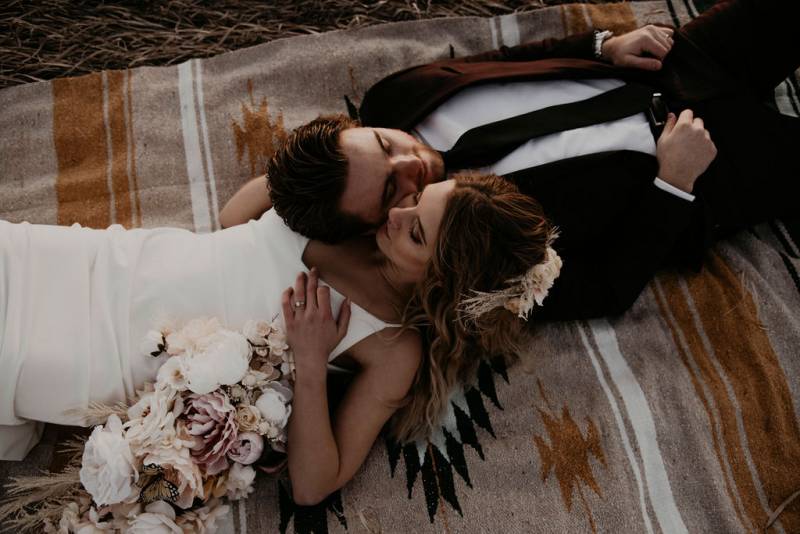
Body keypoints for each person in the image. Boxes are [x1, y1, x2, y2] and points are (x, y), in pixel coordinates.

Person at [221, 0, 799, 320]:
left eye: (384, 145)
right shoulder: (468, 254)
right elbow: (602, 289)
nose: (412, 162)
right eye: (390, 190)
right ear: (376, 226)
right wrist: (674, 185)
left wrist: (599, 45)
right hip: (710, 168)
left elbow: (498, 64)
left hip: (667, 65)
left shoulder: (391, 99)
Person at [0, 173, 553, 506]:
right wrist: (308, 171)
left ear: (441, 284)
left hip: (117, 351)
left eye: (415, 231)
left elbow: (316, 485)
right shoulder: (361, 212)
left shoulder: (390, 349)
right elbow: (234, 222)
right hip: (113, 261)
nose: (397, 212)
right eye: (418, 200)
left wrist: (311, 366)